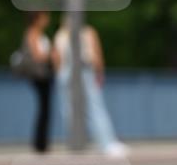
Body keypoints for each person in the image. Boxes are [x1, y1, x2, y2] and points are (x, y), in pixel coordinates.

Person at [53, 16, 127, 157]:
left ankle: (74, 143)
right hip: (85, 70)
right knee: (95, 108)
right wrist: (99, 72)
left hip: (65, 73)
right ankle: (107, 143)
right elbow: (96, 54)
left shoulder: (60, 34)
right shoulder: (87, 32)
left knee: (69, 110)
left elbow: (56, 58)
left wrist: (60, 73)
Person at [22, 10, 54, 153]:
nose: (47, 20)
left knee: (45, 109)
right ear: (37, 19)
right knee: (44, 109)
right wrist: (52, 54)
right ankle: (40, 144)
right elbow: (38, 56)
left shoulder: (39, 34)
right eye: (44, 17)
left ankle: (42, 142)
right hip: (40, 76)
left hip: (46, 75)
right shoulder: (32, 33)